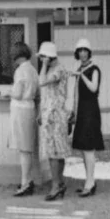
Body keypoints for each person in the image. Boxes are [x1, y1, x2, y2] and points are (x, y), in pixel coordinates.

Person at [70, 39, 104, 197]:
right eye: (80, 50)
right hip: (82, 111)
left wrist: (81, 75)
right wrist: (74, 112)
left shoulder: (94, 69)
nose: (82, 53)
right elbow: (76, 95)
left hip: (90, 111)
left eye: (85, 50)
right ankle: (89, 180)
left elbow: (93, 88)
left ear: (89, 52)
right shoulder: (81, 69)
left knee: (89, 148)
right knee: (84, 149)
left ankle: (90, 183)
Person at [37, 41, 70, 201]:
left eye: (43, 57)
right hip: (49, 115)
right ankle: (59, 183)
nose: (41, 59)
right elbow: (46, 93)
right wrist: (41, 112)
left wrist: (43, 65)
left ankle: (56, 185)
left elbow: (42, 82)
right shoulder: (53, 69)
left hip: (56, 116)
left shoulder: (59, 70)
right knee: (54, 152)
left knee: (55, 153)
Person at [7, 42, 40, 197]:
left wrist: (8, 92)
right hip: (30, 108)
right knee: (27, 148)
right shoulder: (33, 70)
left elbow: (18, 93)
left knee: (24, 150)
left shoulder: (20, 71)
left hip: (20, 110)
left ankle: (25, 182)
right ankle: (27, 180)